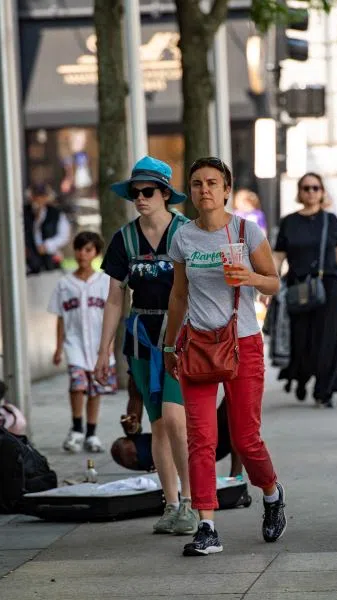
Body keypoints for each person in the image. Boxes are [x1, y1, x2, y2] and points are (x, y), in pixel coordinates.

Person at [165, 156, 286, 556]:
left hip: (243, 342)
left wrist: (249, 277)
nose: (204, 190)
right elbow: (179, 294)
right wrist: (170, 344)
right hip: (198, 344)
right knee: (201, 439)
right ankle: (207, 526)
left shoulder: (246, 232)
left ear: (226, 189)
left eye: (212, 183)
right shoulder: (182, 237)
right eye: (197, 183)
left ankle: (271, 493)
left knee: (245, 438)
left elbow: (274, 282)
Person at [94, 156, 198, 536]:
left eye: (148, 191)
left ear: (166, 194)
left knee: (175, 419)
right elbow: (114, 298)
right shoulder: (124, 238)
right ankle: (171, 504)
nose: (140, 198)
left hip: (181, 337)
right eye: (135, 192)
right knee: (157, 425)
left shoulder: (187, 232)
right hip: (140, 338)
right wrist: (104, 350)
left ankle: (191, 501)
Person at [273, 173, 337, 407]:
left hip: (329, 285)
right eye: (306, 188)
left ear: (322, 191)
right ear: (299, 192)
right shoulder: (289, 222)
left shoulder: (331, 220)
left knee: (329, 339)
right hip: (298, 286)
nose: (311, 192)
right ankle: (301, 377)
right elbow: (278, 257)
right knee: (301, 338)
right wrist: (270, 284)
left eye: (316, 188)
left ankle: (323, 390)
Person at [50, 231, 116, 454]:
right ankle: (77, 427)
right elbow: (60, 317)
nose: (82, 254)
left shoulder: (104, 281)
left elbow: (112, 314)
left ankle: (91, 432)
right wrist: (58, 347)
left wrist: (109, 347)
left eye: (88, 250)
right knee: (77, 386)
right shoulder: (65, 284)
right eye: (79, 249)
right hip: (74, 344)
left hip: (99, 345)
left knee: (95, 389)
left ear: (96, 253)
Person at [111, 380, 243, 479]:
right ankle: (163, 473)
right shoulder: (139, 362)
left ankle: (236, 476)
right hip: (165, 441)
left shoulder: (183, 354)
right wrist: (132, 427)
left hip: (206, 436)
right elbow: (135, 403)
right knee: (121, 449)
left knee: (234, 400)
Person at [24, 183, 71, 275]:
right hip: (29, 261)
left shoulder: (56, 214)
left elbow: (64, 235)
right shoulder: (24, 213)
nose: (39, 199)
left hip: (50, 259)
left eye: (42, 196)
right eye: (36, 196)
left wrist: (48, 245)